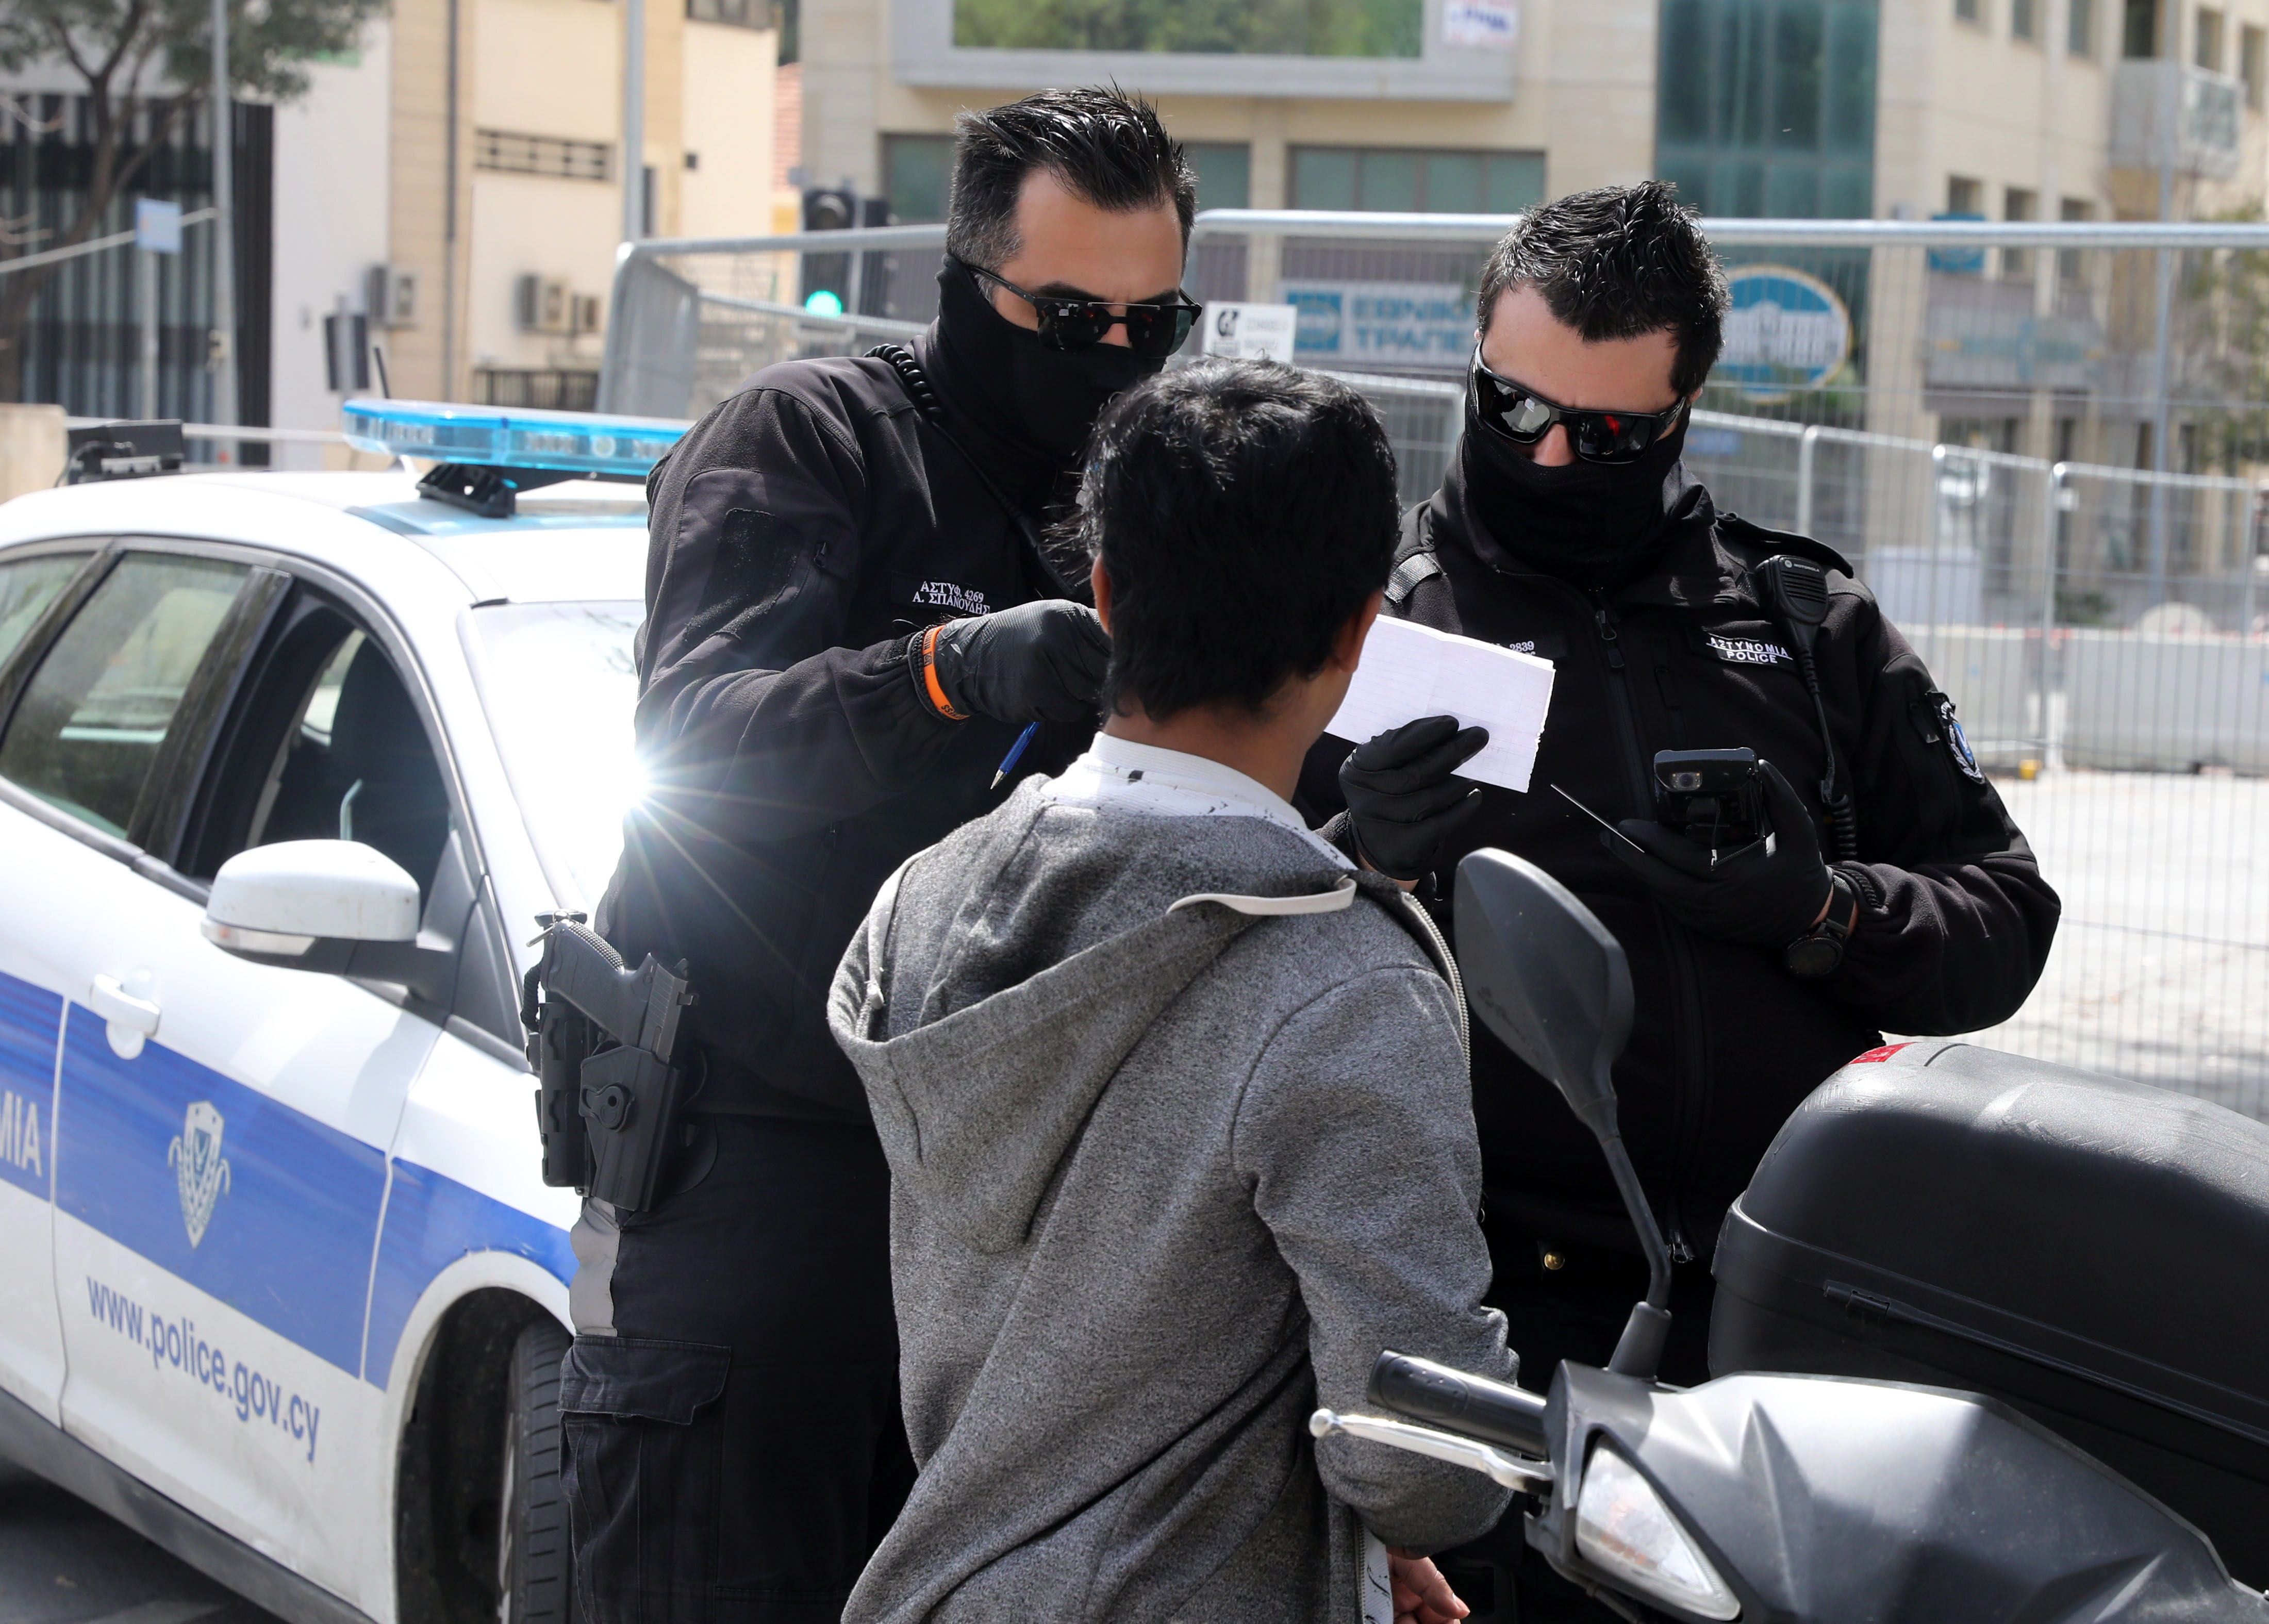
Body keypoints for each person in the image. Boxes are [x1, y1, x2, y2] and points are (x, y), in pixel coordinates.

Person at [1298, 183, 2061, 1596]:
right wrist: (1356, 856)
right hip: (1481, 1320)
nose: (1545, 454)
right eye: (1511, 408)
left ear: (1684, 409)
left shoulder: (1804, 623)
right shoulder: (1361, 628)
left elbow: (2007, 919)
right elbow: (1203, 957)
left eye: (1602, 433)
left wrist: (1824, 911)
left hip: (1786, 1316)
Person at [562, 89, 1203, 1623]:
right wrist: (944, 669)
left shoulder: (1148, 503)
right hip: (759, 1165)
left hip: (1009, 1202)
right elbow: (698, 734)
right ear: (963, 280)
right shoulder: (811, 438)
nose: (1111, 357)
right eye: (1067, 317)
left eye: (1151, 322)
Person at [829, 358, 1514, 1624]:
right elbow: (1421, 1464)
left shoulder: (916, 903)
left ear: (1097, 592)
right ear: (1360, 636)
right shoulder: (1341, 977)